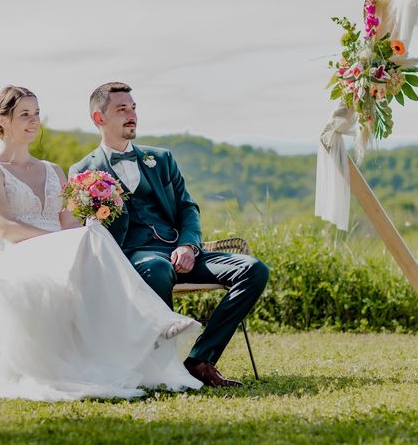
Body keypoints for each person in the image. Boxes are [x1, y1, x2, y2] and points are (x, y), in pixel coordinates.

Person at [0, 86, 202, 401]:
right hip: (21, 251)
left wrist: (95, 206)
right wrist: (61, 242)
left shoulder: (52, 170)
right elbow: (7, 228)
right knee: (86, 242)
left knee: (94, 232)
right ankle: (152, 320)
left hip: (64, 247)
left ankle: (148, 325)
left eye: (36, 114)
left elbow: (67, 221)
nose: (34, 121)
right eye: (24, 115)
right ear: (2, 121)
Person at [70, 82, 269, 387]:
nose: (131, 114)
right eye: (121, 109)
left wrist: (189, 245)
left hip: (180, 250)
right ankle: (164, 368)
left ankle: (200, 360)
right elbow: (92, 233)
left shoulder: (161, 159)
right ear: (99, 119)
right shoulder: (84, 171)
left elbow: (188, 208)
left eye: (133, 108)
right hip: (133, 257)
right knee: (158, 267)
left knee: (253, 269)